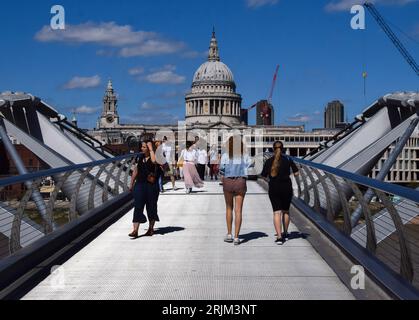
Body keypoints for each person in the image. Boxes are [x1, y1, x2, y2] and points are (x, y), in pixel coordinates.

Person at [261, 141, 299, 245]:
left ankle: (279, 237)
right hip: (286, 187)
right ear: (283, 149)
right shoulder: (288, 159)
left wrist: (270, 179)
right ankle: (286, 232)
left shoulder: (268, 161)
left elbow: (263, 176)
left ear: (273, 149)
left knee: (276, 212)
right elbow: (296, 173)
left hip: (274, 188)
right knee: (286, 211)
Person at [220, 136, 252, 246]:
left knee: (229, 208)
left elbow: (222, 168)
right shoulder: (245, 156)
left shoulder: (225, 155)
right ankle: (237, 237)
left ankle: (229, 234)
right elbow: (250, 165)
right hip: (240, 181)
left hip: (228, 181)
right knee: (238, 210)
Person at [129, 140, 162, 238]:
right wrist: (131, 183)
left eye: (144, 147)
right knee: (138, 206)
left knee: (151, 207)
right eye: (142, 147)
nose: (142, 149)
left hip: (152, 186)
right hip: (140, 184)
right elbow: (136, 170)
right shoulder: (140, 157)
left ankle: (150, 229)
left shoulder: (156, 156)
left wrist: (152, 149)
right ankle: (135, 230)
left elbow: (154, 161)